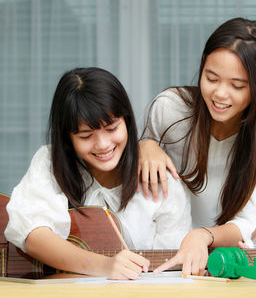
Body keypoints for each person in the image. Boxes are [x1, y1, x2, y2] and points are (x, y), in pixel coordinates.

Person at [4, 67, 192, 280]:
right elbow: (32, 234)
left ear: (128, 122)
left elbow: (170, 270)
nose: (103, 145)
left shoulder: (161, 179)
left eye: (112, 129)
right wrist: (104, 266)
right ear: (67, 138)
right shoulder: (49, 163)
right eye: (86, 136)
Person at [139, 17, 256, 275]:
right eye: (211, 78)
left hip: (242, 259)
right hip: (178, 254)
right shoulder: (170, 108)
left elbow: (249, 223)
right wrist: (146, 144)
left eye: (237, 86)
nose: (220, 94)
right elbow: (134, 161)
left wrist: (203, 235)